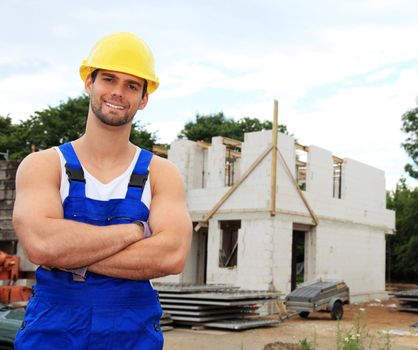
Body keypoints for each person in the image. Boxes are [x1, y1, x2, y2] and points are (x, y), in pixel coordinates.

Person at [12, 32, 192, 349]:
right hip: (51, 336)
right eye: (108, 79)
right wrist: (134, 232)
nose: (118, 92)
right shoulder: (43, 165)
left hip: (133, 336)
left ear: (144, 98)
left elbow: (172, 255)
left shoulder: (161, 174)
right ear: (89, 83)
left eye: (131, 85)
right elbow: (41, 245)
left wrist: (68, 253)